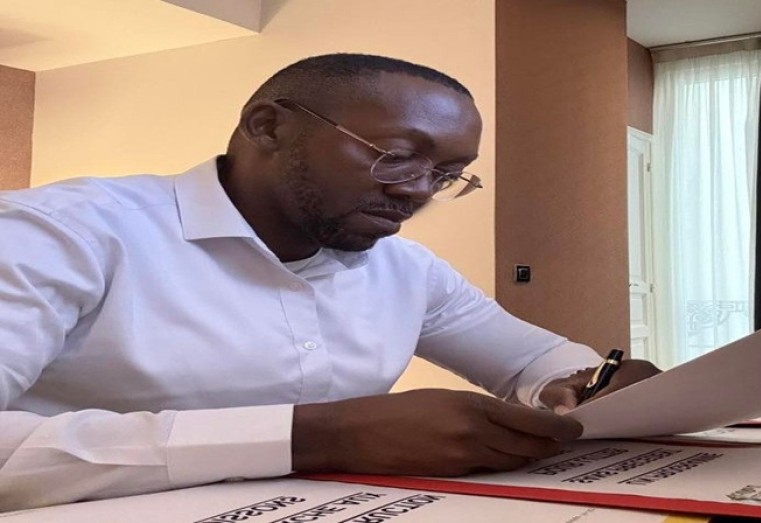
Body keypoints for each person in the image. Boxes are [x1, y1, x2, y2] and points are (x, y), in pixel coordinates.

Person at [0, 53, 658, 511]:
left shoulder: (407, 270)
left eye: (446, 174)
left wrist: (590, 386)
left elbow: (534, 361)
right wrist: (319, 434)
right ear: (268, 127)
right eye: (396, 157)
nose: (417, 191)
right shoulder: (60, 233)